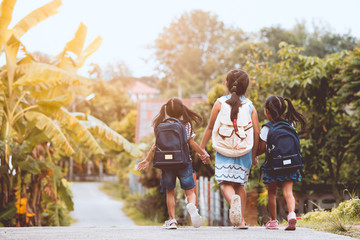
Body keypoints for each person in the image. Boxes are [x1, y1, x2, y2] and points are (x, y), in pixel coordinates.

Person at [137, 97, 210, 230]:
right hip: (184, 162)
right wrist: (202, 153)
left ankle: (172, 221)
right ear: (181, 110)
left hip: (167, 164)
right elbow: (191, 143)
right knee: (189, 192)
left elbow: (155, 145)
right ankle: (192, 206)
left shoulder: (161, 125)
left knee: (170, 192)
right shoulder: (186, 124)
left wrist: (147, 159)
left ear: (167, 111)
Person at [200, 69, 260, 228]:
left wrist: (201, 149)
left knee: (225, 182)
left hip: (223, 149)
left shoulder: (219, 103)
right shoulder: (250, 106)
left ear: (226, 84)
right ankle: (240, 221)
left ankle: (233, 201)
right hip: (244, 151)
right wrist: (254, 156)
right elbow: (257, 132)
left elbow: (210, 127)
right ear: (246, 87)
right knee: (240, 185)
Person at [257, 95, 306, 231]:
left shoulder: (266, 128)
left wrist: (253, 155)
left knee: (272, 193)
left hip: (273, 166)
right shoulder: (290, 126)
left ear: (267, 112)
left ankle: (273, 221)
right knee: (288, 192)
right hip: (290, 164)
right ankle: (291, 214)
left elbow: (261, 149)